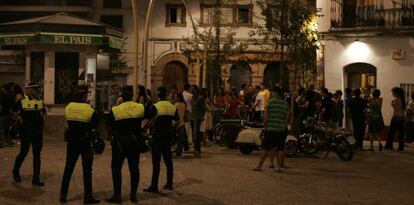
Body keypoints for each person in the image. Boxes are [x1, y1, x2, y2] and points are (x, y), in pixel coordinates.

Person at [60, 85, 100, 204]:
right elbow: (95, 125)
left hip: (72, 142)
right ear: (84, 95)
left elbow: (68, 122)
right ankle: (88, 197)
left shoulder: (68, 107)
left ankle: (63, 195)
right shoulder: (90, 109)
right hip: (85, 142)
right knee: (87, 170)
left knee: (68, 168)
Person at [106, 86, 146, 203]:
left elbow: (109, 125)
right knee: (134, 168)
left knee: (116, 168)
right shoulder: (139, 107)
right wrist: (144, 128)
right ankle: (133, 195)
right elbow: (153, 113)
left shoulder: (116, 109)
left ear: (121, 97)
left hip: (120, 142)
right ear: (132, 96)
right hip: (134, 141)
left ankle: (117, 195)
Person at [144, 86, 179, 193]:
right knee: (168, 161)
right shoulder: (172, 106)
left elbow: (148, 119)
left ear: (158, 94)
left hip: (157, 136)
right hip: (168, 137)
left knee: (156, 162)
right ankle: (169, 183)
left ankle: (154, 186)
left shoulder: (155, 106)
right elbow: (176, 120)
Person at [12, 83, 46, 186]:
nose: (38, 91)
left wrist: (44, 117)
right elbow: (12, 111)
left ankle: (36, 178)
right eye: (35, 89)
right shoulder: (22, 101)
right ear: (29, 90)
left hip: (37, 131)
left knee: (37, 154)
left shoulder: (40, 101)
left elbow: (43, 111)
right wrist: (18, 118)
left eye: (38, 89)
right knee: (24, 152)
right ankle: (15, 171)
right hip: (26, 131)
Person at [252, 86, 289, 172]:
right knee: (280, 148)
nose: (271, 94)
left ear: (276, 93)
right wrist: (284, 125)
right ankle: (278, 167)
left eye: (272, 92)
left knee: (265, 147)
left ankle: (259, 166)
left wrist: (265, 124)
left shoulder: (270, 102)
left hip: (271, 128)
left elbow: (266, 115)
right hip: (281, 129)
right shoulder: (285, 103)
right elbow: (286, 117)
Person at [385, 87, 406, 151]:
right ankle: (401, 147)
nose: (392, 94)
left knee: (391, 132)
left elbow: (396, 110)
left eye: (393, 92)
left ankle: (389, 145)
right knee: (401, 134)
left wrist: (392, 105)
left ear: (396, 93)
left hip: (396, 118)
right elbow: (403, 110)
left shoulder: (397, 100)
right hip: (402, 118)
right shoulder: (403, 100)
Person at [191, 86, 206, 157]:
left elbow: (203, 108)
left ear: (196, 90)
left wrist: (202, 116)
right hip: (192, 117)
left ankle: (197, 149)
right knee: (194, 134)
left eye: (193, 89)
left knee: (196, 133)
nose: (192, 91)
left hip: (197, 117)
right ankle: (196, 148)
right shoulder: (193, 98)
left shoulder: (200, 98)